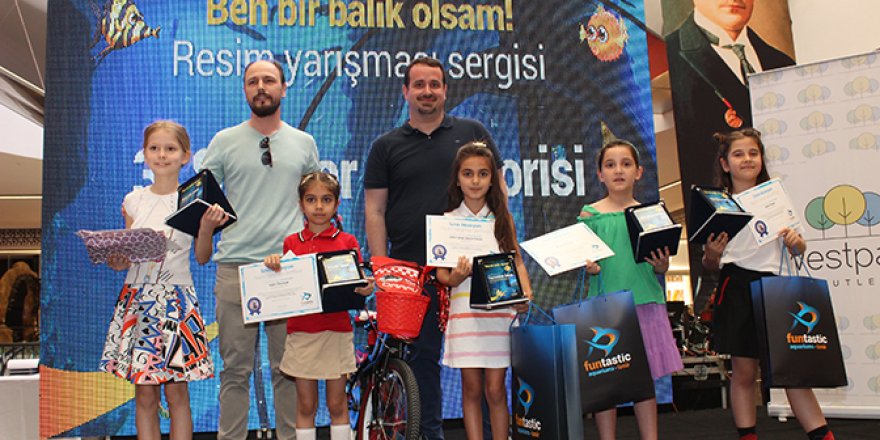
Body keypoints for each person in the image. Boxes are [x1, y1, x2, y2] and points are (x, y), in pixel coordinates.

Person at [364, 57, 505, 440]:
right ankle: (429, 435)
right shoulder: (385, 146)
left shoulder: (472, 133)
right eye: (419, 85)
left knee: (483, 366)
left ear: (445, 90)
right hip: (412, 274)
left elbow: (499, 194)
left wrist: (503, 249)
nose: (427, 92)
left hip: (474, 272)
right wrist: (382, 266)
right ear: (405, 91)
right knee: (421, 363)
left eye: (434, 84)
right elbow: (375, 211)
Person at [201, 59, 321, 440]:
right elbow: (200, 203)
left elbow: (316, 204)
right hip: (235, 269)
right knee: (234, 373)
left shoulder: (304, 143)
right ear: (245, 90)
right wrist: (207, 220)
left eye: (269, 80)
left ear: (283, 88)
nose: (261, 87)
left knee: (288, 370)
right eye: (252, 81)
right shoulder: (223, 141)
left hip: (288, 269)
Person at [702, 128, 834, 440]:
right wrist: (712, 254)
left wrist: (795, 241)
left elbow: (799, 247)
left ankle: (822, 435)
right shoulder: (717, 205)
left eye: (753, 153)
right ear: (725, 164)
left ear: (761, 159)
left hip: (776, 289)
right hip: (736, 287)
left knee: (793, 372)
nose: (747, 159)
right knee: (744, 372)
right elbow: (710, 264)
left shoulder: (775, 196)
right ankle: (748, 435)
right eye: (738, 154)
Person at [100, 120, 225, 439]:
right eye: (154, 148)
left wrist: (207, 228)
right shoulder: (134, 200)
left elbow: (202, 257)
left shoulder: (192, 200)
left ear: (185, 156)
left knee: (176, 393)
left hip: (175, 303)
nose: (162, 155)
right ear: (144, 153)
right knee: (145, 395)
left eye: (170, 148)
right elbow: (125, 256)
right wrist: (117, 259)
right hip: (139, 302)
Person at [577, 139, 684, 440]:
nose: (618, 170)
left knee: (643, 382)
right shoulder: (590, 215)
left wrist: (662, 264)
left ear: (638, 172)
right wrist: (589, 266)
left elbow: (661, 266)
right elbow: (581, 259)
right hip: (604, 308)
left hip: (645, 303)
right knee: (605, 380)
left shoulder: (652, 215)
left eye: (626, 164)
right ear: (600, 174)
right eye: (610, 165)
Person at [262, 172, 374, 440]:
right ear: (301, 204)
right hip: (302, 333)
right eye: (311, 200)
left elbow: (359, 284)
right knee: (305, 405)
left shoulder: (348, 242)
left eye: (326, 199)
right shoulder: (291, 243)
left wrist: (366, 288)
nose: (319, 206)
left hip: (336, 332)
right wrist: (273, 265)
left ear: (336, 204)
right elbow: (284, 286)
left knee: (337, 404)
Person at [437, 143, 531, 440]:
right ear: (457, 179)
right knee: (472, 388)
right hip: (465, 316)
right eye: (468, 174)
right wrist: (455, 277)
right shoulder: (447, 221)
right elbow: (441, 275)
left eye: (482, 174)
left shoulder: (502, 219)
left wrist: (525, 294)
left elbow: (516, 261)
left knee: (495, 389)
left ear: (492, 179)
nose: (475, 181)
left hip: (499, 315)